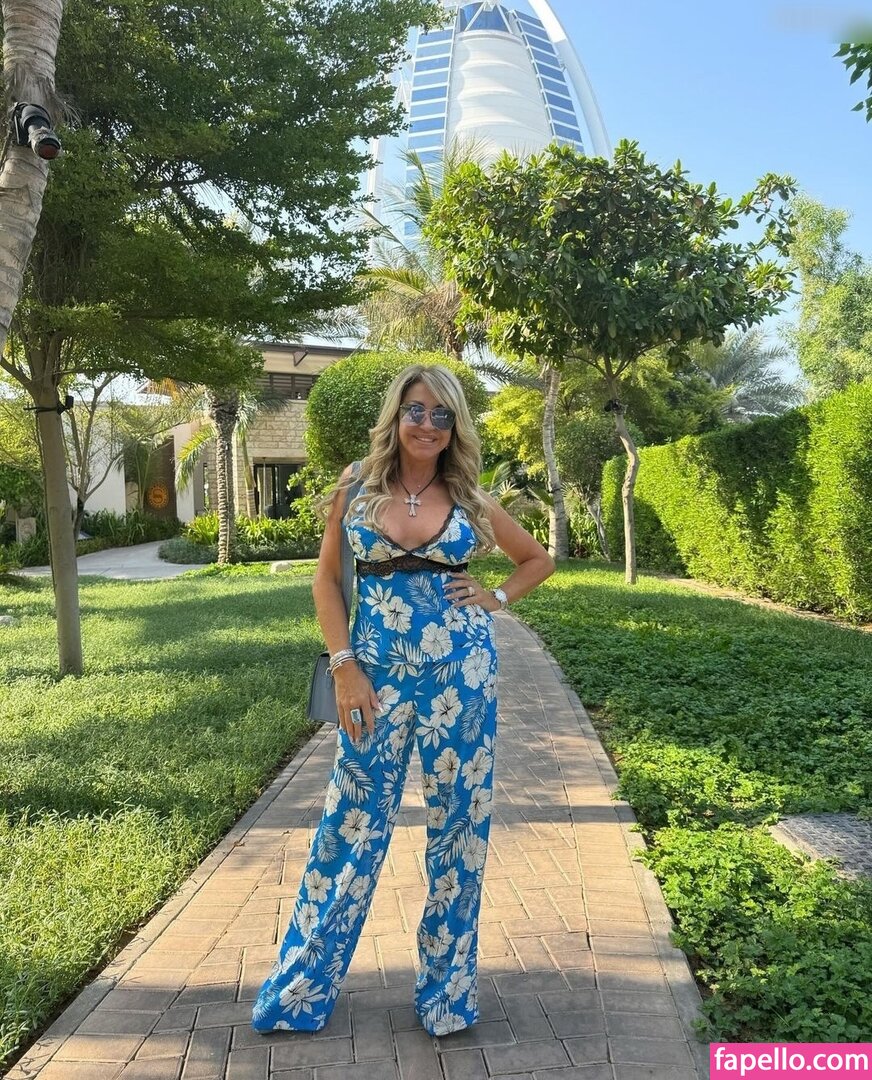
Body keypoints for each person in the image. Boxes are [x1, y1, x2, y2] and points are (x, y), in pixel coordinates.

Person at [251, 363, 555, 1037]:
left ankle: (447, 995)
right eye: (417, 410)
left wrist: (495, 597)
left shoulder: (468, 496)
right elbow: (327, 581)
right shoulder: (357, 485)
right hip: (374, 679)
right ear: (397, 414)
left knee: (460, 830)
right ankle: (301, 989)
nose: (427, 424)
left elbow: (537, 559)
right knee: (351, 822)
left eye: (442, 415)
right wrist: (343, 666)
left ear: (455, 427)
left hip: (461, 678)